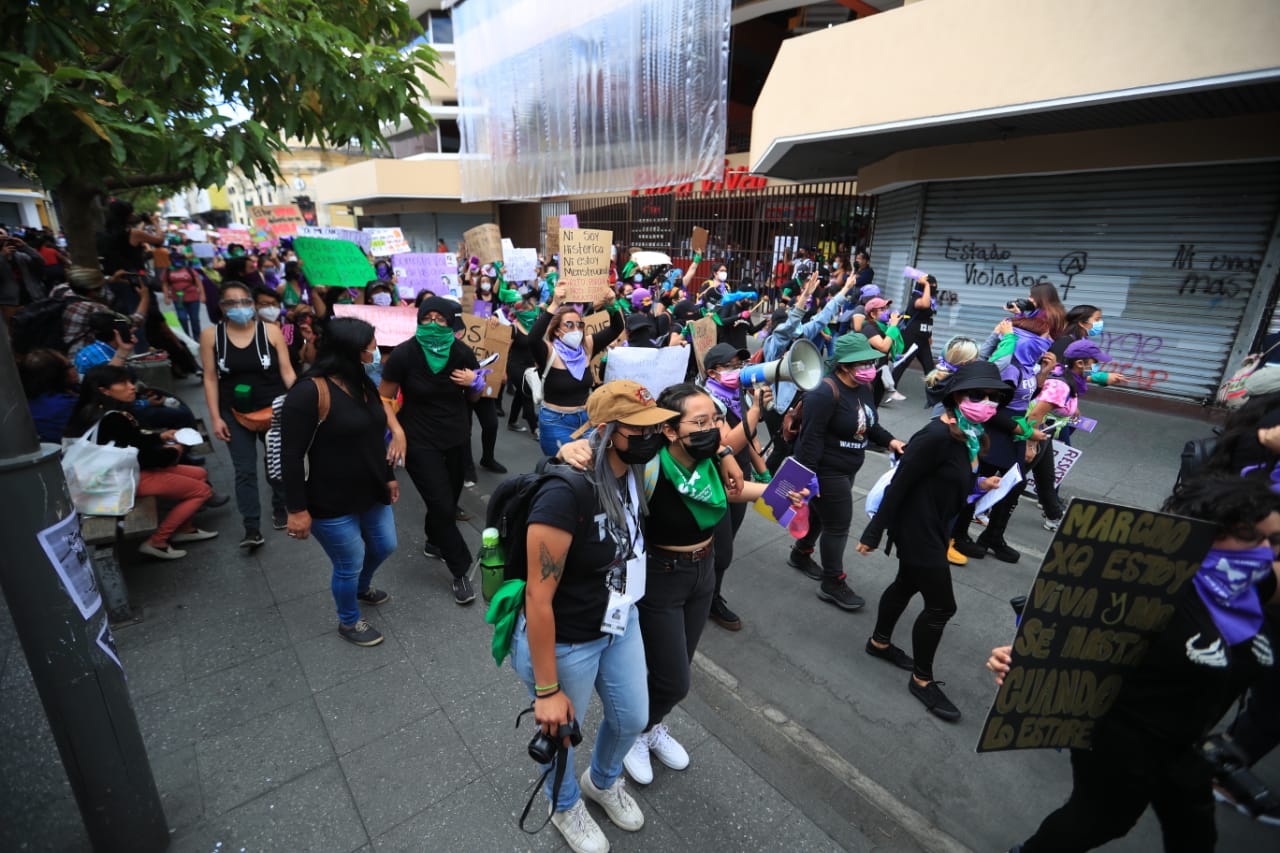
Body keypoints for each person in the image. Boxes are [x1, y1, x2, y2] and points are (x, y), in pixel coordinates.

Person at [988, 474, 1280, 852]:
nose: (1265, 554)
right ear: (1201, 530)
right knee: (1101, 822)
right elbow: (1062, 644)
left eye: (1274, 543)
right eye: (1252, 537)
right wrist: (1022, 662)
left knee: (1195, 835)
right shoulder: (1147, 592)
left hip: (1188, 746)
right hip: (1120, 744)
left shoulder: (1251, 584)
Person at [513, 381, 677, 853]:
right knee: (561, 736)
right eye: (640, 429)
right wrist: (546, 691)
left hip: (619, 623)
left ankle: (602, 782)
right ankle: (564, 806)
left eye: (656, 426)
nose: (653, 436)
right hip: (567, 638)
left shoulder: (637, 472)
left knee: (631, 719)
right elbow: (537, 599)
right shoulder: (565, 493)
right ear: (605, 431)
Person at [858, 361, 1011, 721]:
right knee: (942, 607)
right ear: (956, 396)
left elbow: (946, 481)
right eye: (978, 395)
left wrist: (978, 486)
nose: (988, 402)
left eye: (993, 397)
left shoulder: (967, 433)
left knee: (905, 584)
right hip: (917, 533)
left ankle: (879, 643)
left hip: (934, 528)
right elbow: (899, 486)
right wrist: (873, 532)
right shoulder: (934, 437)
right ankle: (922, 680)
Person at [282, 318, 398, 648]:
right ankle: (348, 621)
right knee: (348, 562)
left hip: (372, 491)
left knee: (386, 545)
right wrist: (296, 509)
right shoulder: (308, 393)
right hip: (328, 500)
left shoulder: (361, 381)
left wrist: (388, 477)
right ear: (352, 350)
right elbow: (290, 457)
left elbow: (375, 436)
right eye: (372, 345)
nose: (376, 350)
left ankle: (361, 587)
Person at [789, 333, 905, 610]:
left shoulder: (863, 388)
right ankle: (832, 582)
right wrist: (807, 480)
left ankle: (800, 554)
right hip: (827, 471)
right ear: (842, 366)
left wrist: (891, 440)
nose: (869, 368)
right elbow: (811, 439)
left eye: (870, 362)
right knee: (838, 525)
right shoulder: (823, 393)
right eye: (861, 363)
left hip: (849, 466)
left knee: (820, 517)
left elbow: (870, 424)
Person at [379, 296, 482, 605]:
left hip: (455, 437)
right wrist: (396, 431)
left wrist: (474, 382)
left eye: (441, 319)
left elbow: (476, 399)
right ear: (419, 319)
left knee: (447, 501)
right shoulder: (404, 354)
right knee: (440, 503)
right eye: (428, 318)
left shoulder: (462, 352)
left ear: (451, 323)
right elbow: (383, 398)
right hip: (417, 439)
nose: (434, 324)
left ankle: (433, 541)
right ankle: (460, 570)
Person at [66, 365, 220, 560]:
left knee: (200, 474)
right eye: (123, 383)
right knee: (202, 491)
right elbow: (144, 458)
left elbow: (132, 442)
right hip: (121, 480)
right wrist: (175, 450)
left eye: (130, 382)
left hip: (112, 474)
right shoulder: (114, 418)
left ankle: (185, 528)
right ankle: (158, 541)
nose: (132, 387)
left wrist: (159, 437)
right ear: (104, 390)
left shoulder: (93, 411)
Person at [200, 280, 295, 548]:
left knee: (276, 464)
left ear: (252, 305)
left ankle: (281, 507)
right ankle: (251, 528)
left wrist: (301, 402)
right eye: (231, 302)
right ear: (221, 306)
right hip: (234, 411)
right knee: (244, 470)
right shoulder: (211, 336)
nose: (239, 307)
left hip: (274, 408)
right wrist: (215, 418)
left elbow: (287, 371)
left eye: (244, 301)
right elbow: (210, 378)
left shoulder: (272, 331)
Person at [701, 343, 769, 630]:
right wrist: (756, 409)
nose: (738, 371)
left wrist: (763, 472)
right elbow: (727, 444)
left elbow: (750, 438)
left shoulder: (734, 395)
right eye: (730, 366)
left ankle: (711, 595)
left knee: (723, 550)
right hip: (717, 482)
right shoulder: (707, 401)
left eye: (740, 364)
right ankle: (705, 599)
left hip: (740, 477)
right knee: (721, 551)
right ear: (713, 372)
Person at [528, 289, 624, 456]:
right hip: (555, 422)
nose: (576, 329)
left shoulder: (586, 346)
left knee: (589, 466)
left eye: (580, 325)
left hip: (586, 421)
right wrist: (555, 304)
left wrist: (612, 305)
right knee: (563, 471)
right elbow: (533, 338)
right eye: (569, 325)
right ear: (557, 331)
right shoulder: (549, 351)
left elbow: (616, 328)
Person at [19, 348, 81, 442]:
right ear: (57, 374)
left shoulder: (23, 402)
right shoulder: (65, 405)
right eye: (70, 366)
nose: (74, 368)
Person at [890, 273, 938, 389]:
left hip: (923, 339)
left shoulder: (931, 301)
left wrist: (929, 336)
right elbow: (925, 304)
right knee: (901, 365)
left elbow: (927, 319)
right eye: (931, 285)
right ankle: (887, 389)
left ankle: (935, 394)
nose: (934, 287)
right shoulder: (916, 300)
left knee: (929, 367)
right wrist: (926, 284)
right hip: (911, 337)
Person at [163, 254, 205, 339]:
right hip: (178, 299)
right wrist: (166, 296)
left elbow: (198, 282)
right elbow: (165, 284)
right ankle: (186, 338)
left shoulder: (189, 270)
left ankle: (198, 338)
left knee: (194, 319)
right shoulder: (168, 271)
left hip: (193, 298)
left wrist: (202, 295)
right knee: (182, 318)